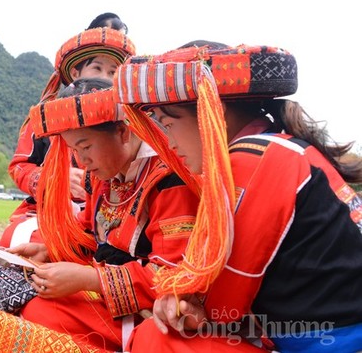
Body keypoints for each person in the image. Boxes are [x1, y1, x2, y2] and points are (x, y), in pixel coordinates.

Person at [113, 43, 362, 352]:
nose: (169, 143)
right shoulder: (281, 147)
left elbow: (224, 304)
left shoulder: (251, 159)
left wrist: (188, 305)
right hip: (318, 333)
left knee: (156, 338)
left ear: (214, 112)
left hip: (332, 343)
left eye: (168, 124)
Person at [3, 77, 199, 351]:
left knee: (38, 313)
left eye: (86, 147)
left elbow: (171, 275)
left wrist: (89, 279)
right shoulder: (100, 176)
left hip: (146, 313)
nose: (82, 161)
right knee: (21, 292)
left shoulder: (167, 179)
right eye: (74, 151)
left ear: (123, 132)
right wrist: (47, 251)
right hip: (108, 296)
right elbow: (89, 236)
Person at [0, 27, 136, 282]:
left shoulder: (135, 131)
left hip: (97, 227)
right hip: (54, 211)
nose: (105, 78)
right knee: (23, 238)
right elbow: (19, 166)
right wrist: (55, 179)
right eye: (97, 69)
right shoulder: (46, 120)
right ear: (76, 74)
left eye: (113, 72)